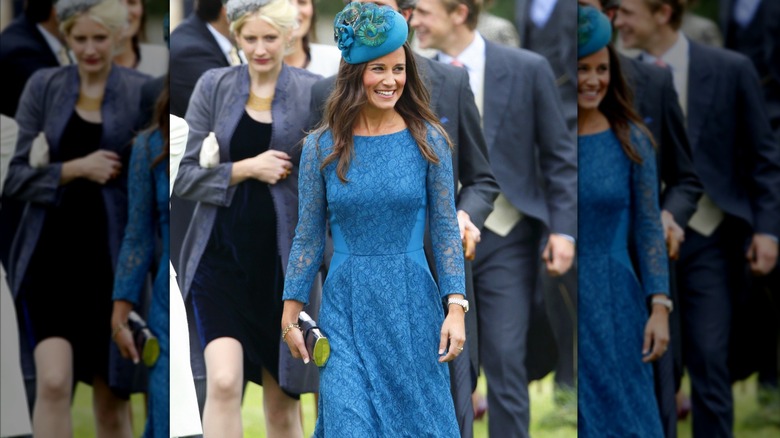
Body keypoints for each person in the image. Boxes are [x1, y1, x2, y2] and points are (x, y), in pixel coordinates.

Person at [308, 1, 499, 436]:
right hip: (349, 290)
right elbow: (312, 216)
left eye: (384, 6)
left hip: (420, 289)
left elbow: (474, 186)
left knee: (423, 419)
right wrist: (300, 302)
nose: (390, 79)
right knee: (349, 420)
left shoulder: (442, 100)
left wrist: (456, 303)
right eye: (377, 70)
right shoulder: (322, 112)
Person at [411, 0, 577, 436]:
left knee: (506, 359)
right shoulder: (407, 73)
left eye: (424, 11)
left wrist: (563, 230)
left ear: (459, 12)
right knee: (444, 362)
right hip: (431, 240)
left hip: (508, 237)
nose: (414, 20)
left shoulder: (528, 68)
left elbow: (560, 157)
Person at [615, 0, 780, 436]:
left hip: (711, 238)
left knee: (710, 359)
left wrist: (768, 230)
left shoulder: (731, 68)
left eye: (628, 11)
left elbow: (764, 157)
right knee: (651, 363)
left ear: (662, 12)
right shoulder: (612, 74)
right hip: (638, 242)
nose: (618, 20)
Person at [173, 0, 322, 435]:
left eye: (270, 38)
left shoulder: (313, 91)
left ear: (288, 37)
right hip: (218, 258)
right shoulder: (213, 86)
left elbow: (329, 176)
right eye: (249, 38)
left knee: (280, 402)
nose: (259, 48)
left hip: (281, 267)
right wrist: (246, 168)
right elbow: (182, 176)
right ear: (236, 36)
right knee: (222, 382)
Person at [2, 0, 151, 436]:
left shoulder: (140, 91)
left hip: (110, 262)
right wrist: (75, 168)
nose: (89, 48)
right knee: (51, 382)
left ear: (118, 36)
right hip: (49, 256)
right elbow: (11, 176)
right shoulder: (43, 86)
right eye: (79, 38)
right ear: (66, 37)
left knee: (110, 399)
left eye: (99, 38)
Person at [576, 5, 671, 436]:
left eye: (601, 68)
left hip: (618, 294)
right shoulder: (553, 141)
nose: (593, 80)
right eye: (581, 69)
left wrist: (659, 306)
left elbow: (650, 227)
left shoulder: (632, 140)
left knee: (628, 414)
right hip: (564, 294)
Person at [110, 71, 170, 438]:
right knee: (165, 407)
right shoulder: (149, 146)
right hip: (166, 292)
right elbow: (137, 234)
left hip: (212, 280)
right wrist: (121, 310)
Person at [283, 0, 341, 77]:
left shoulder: (336, 61)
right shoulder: (262, 68)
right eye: (285, 2)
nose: (294, 10)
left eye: (302, 2)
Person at [113, 0, 168, 77]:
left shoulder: (165, 59)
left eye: (132, 2)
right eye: (114, 3)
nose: (124, 10)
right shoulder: (92, 65)